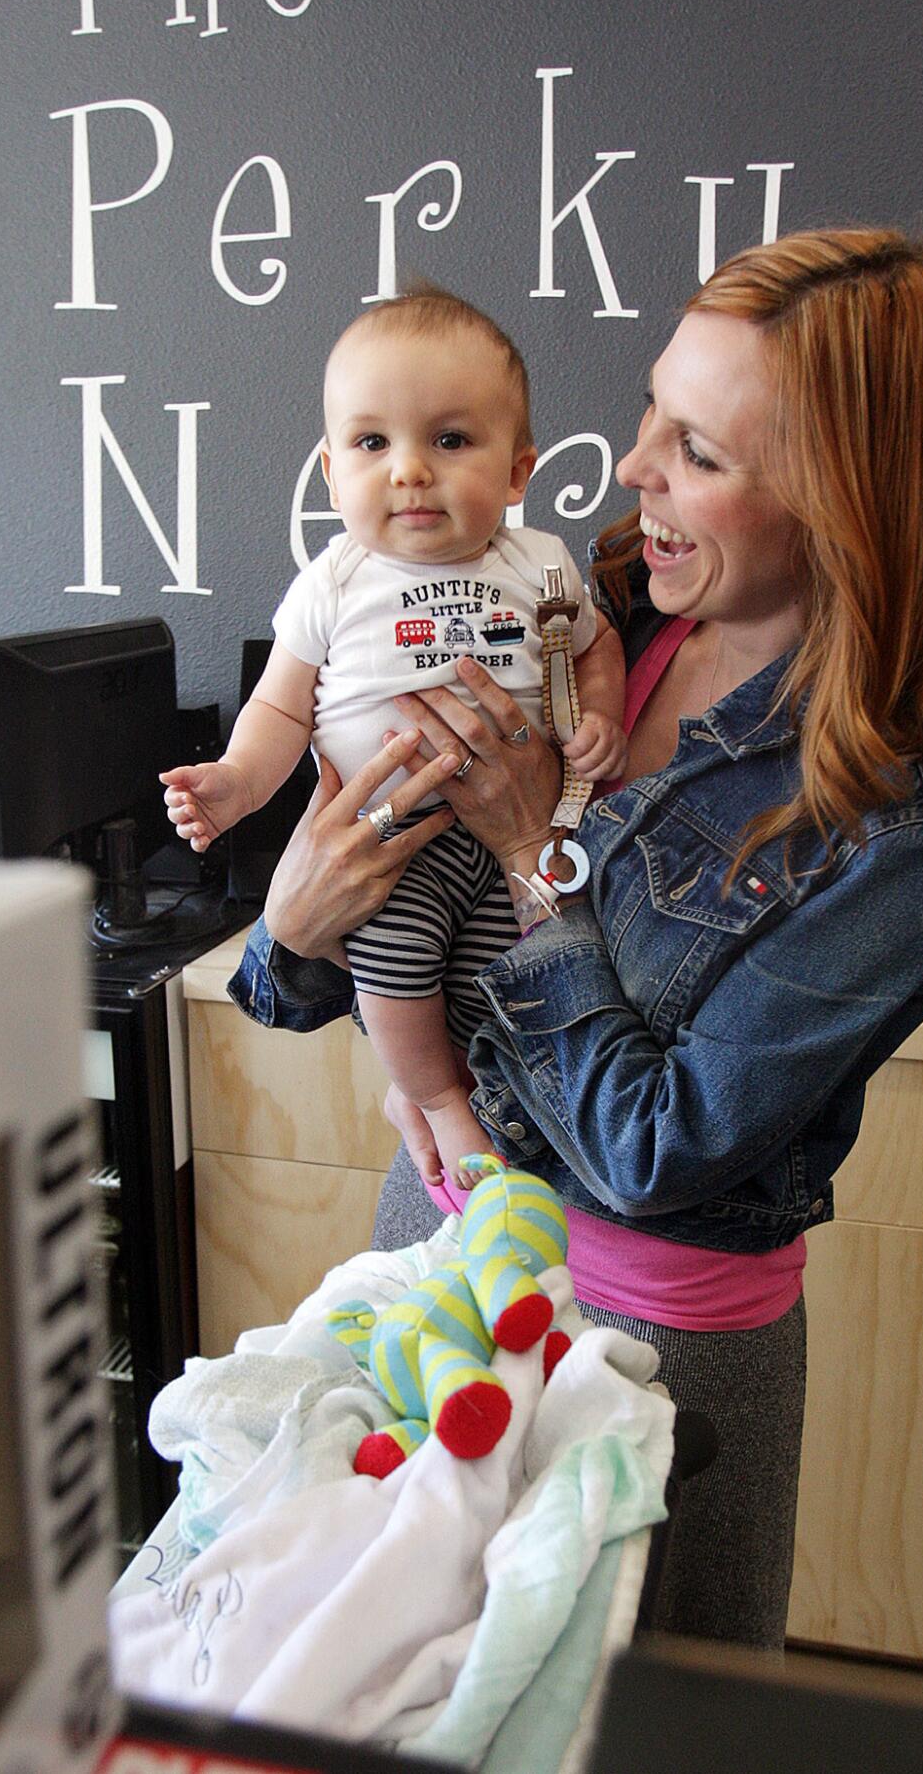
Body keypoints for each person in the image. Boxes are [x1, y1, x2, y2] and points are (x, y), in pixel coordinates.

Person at [245, 229, 923, 1647]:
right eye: (654, 411)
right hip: (440, 1247)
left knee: (639, 1721)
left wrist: (542, 856)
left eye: (699, 450)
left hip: (652, 1350)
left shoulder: (902, 817)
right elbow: (315, 974)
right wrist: (291, 923)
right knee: (389, 1682)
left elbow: (654, 1150)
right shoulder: (586, 607)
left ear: (849, 499)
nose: (635, 468)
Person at [161, 288, 626, 1188]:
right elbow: (280, 712)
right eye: (374, 443)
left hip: (518, 841)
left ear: (519, 470)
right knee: (398, 967)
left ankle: (502, 1107)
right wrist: (237, 782)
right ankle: (436, 1103)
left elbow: (596, 650)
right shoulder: (332, 582)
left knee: (511, 973)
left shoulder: (542, 565)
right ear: (331, 472)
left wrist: (597, 717)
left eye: (450, 441)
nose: (409, 470)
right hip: (392, 846)